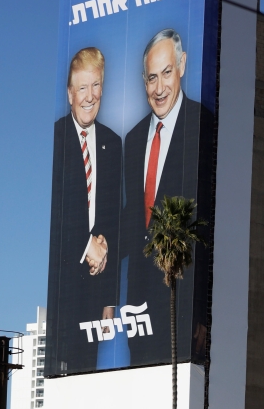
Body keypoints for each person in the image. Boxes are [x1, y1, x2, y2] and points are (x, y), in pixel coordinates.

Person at [118, 29, 214, 366]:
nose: (159, 89)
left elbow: (208, 228)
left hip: (182, 306)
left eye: (167, 74)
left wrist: (203, 312)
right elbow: (135, 219)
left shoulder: (204, 126)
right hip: (139, 310)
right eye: (152, 78)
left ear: (183, 65)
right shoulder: (132, 140)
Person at [46, 46, 122, 376]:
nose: (89, 97)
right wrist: (86, 246)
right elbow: (60, 210)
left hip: (96, 287)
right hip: (64, 286)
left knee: (88, 378)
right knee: (63, 376)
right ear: (69, 93)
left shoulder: (112, 143)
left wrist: (109, 302)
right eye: (81, 88)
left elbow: (113, 223)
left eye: (95, 86)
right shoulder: (57, 136)